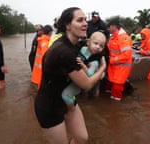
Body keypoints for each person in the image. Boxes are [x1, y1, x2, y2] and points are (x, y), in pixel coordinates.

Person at [34, 7, 106, 144]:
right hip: (50, 107)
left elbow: (92, 47)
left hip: (67, 100)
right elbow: (87, 84)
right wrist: (102, 67)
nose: (85, 23)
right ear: (67, 25)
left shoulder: (75, 44)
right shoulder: (64, 52)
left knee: (82, 138)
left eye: (85, 19)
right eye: (80, 20)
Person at [62, 31, 107, 111]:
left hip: (80, 82)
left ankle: (72, 111)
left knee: (66, 95)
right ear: (88, 42)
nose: (98, 47)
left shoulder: (95, 61)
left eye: (101, 46)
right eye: (96, 43)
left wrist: (83, 65)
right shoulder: (82, 48)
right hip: (73, 76)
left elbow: (89, 75)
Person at [106, 19, 133, 101]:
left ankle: (116, 103)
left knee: (117, 85)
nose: (108, 29)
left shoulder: (124, 38)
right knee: (110, 83)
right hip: (113, 65)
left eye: (109, 27)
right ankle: (112, 100)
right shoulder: (113, 37)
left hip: (121, 66)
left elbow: (126, 55)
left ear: (114, 26)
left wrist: (112, 60)